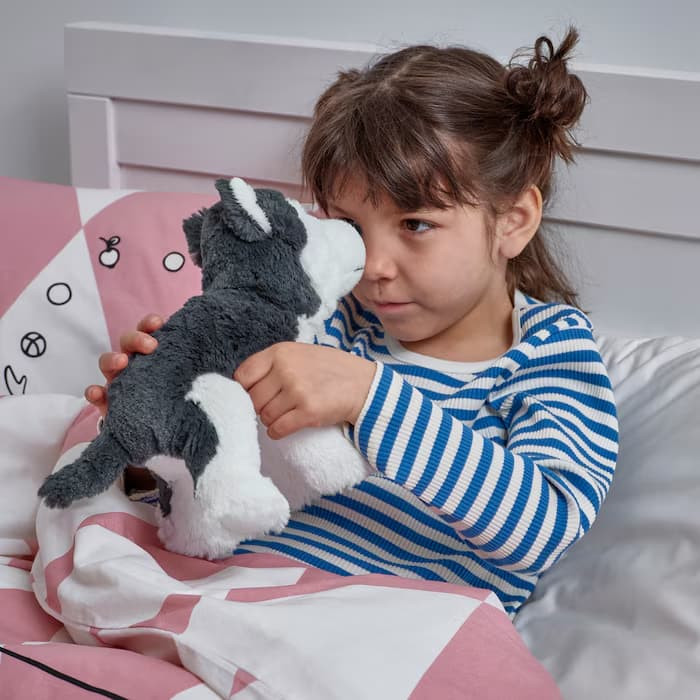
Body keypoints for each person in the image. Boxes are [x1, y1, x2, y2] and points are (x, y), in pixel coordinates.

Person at [85, 27, 618, 618]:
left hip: (401, 625)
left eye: (416, 224)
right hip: (241, 599)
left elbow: (543, 531)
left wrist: (369, 397)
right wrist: (149, 427)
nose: (376, 265)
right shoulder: (326, 320)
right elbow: (221, 479)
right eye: (351, 227)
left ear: (513, 221)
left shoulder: (550, 349)